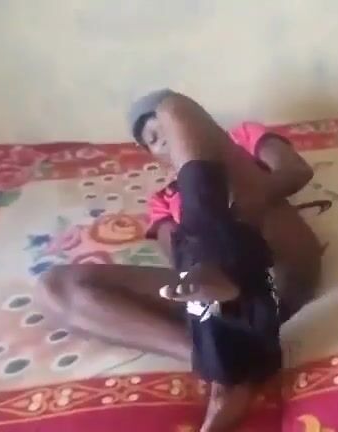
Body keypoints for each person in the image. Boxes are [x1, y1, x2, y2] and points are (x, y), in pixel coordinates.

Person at [37, 90, 321, 431]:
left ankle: (217, 272)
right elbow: (178, 262)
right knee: (53, 289)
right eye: (155, 140)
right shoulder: (161, 201)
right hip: (221, 295)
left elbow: (296, 170)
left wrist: (240, 207)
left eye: (167, 130)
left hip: (278, 264)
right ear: (155, 159)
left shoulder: (240, 141)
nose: (167, 139)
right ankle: (226, 369)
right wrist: (208, 252)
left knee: (173, 106)